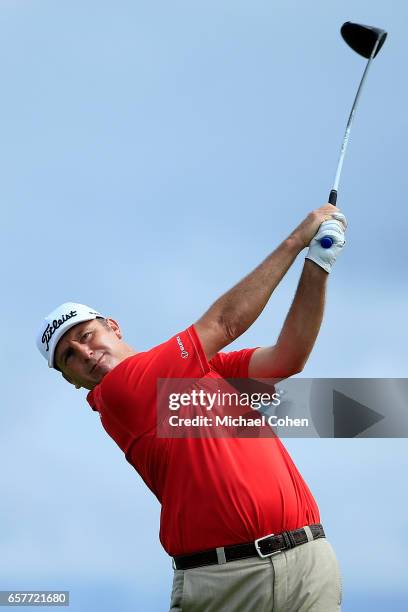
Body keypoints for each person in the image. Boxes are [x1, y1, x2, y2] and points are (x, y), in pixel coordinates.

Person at [37, 204, 346, 611]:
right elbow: (224, 323)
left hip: (307, 562)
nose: (85, 352)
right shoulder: (119, 395)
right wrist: (296, 239)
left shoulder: (204, 369)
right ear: (72, 381)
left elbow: (288, 357)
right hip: (224, 583)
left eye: (86, 335)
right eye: (69, 357)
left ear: (113, 327)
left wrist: (318, 262)